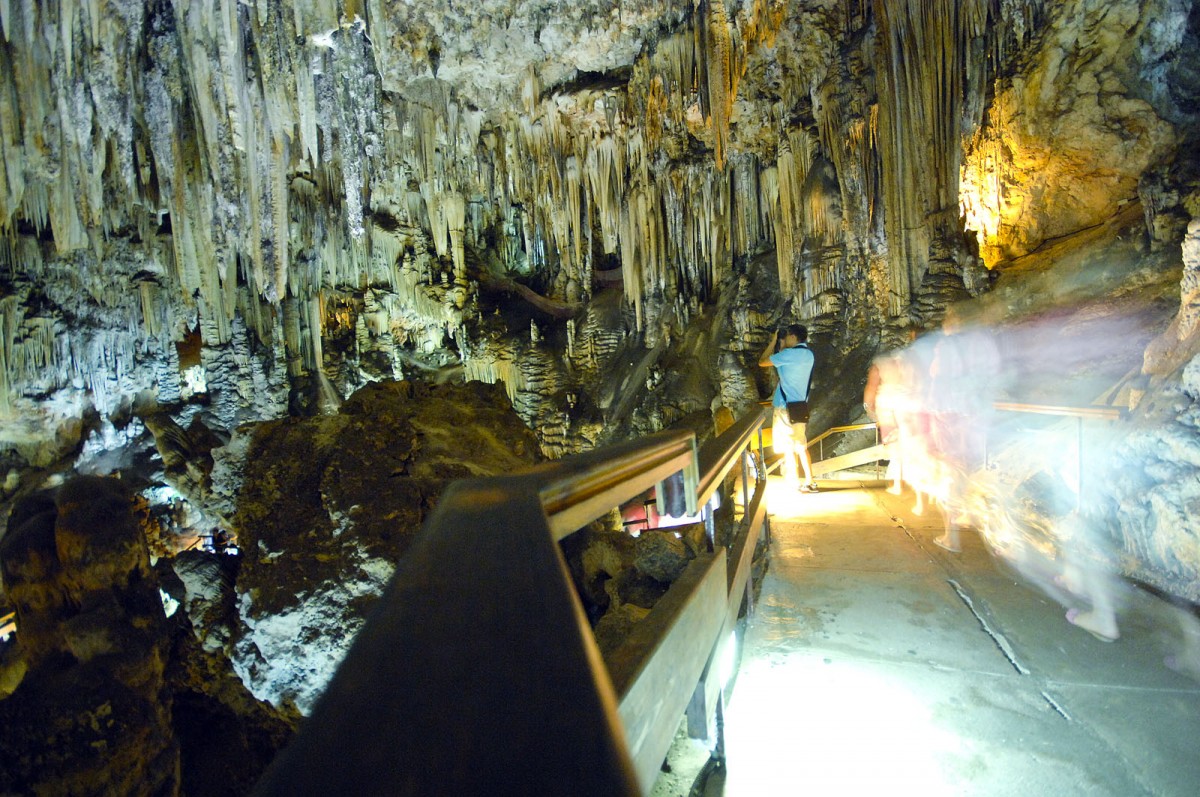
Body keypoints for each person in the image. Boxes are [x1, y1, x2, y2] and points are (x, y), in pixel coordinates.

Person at [759, 323, 818, 493]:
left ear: (792, 336)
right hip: (800, 407)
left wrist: (774, 341)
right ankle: (810, 481)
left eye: (787, 337)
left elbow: (762, 362)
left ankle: (793, 482)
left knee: (788, 448)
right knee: (801, 446)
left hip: (785, 408)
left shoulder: (787, 354)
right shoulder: (809, 355)